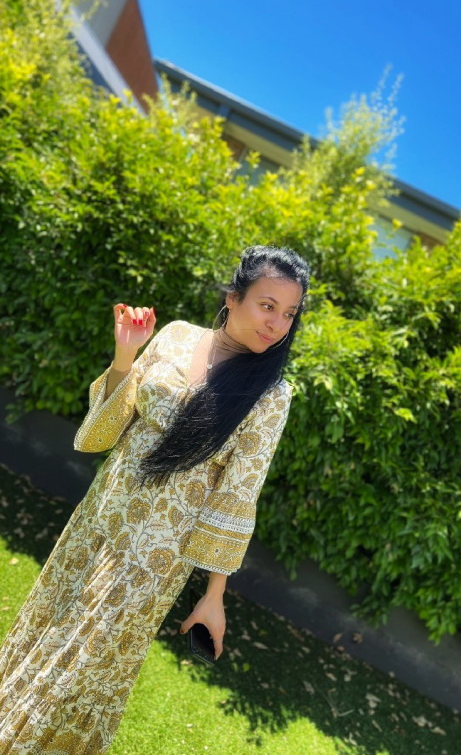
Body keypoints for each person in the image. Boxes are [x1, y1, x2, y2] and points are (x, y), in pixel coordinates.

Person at [0, 245, 310, 754]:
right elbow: (107, 429)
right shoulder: (175, 335)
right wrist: (125, 355)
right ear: (233, 298)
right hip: (96, 522)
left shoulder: (271, 396)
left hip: (150, 560)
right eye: (267, 305)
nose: (277, 324)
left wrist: (213, 596)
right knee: (45, 627)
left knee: (82, 668)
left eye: (289, 313)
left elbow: (237, 496)